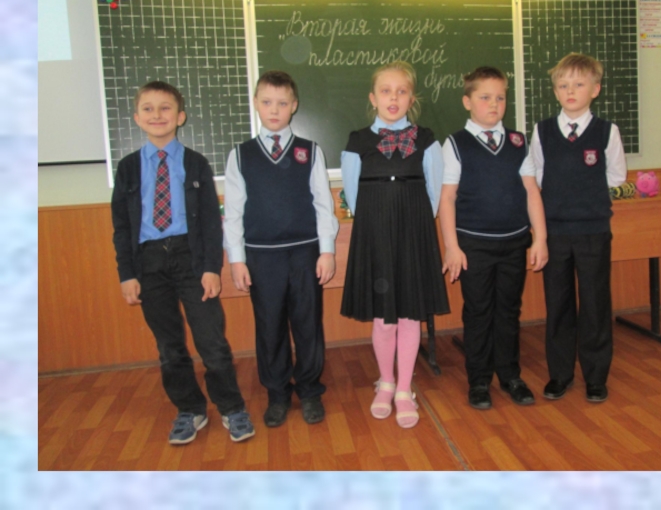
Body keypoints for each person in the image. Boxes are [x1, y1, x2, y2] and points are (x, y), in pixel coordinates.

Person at [111, 81, 255, 445]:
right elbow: (121, 226)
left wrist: (210, 268)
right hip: (148, 262)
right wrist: (127, 274)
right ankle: (190, 409)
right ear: (137, 118)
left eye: (165, 108)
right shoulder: (127, 168)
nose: (157, 115)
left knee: (212, 341)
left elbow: (209, 220)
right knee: (169, 346)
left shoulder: (195, 163)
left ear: (180, 116)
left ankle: (232, 407)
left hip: (190, 258)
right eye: (148, 108)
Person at [224, 70, 338, 428]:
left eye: (282, 102)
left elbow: (323, 204)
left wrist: (327, 250)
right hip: (262, 256)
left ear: (294, 105)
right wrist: (237, 259)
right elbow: (234, 212)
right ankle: (277, 393)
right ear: (256, 104)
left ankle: (309, 389)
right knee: (269, 326)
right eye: (267, 102)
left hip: (305, 253)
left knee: (307, 325)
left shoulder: (310, 151)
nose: (274, 109)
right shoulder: (241, 155)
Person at [340, 60, 449, 428]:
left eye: (402, 91)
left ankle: (404, 388)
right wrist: (379, 226)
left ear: (411, 99)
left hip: (413, 234)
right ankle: (385, 381)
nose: (394, 97)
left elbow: (433, 195)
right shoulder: (356, 142)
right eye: (386, 91)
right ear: (373, 98)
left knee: (409, 315)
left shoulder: (427, 140)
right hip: (375, 235)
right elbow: (354, 197)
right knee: (384, 319)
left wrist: (413, 226)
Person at [440, 66, 549, 410]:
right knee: (478, 311)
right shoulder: (456, 144)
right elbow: (447, 198)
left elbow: (531, 191)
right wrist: (452, 247)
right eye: (485, 97)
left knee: (508, 310)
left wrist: (540, 238)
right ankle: (479, 379)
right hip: (474, 245)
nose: (494, 104)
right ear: (467, 102)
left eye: (500, 98)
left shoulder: (518, 142)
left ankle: (510, 375)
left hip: (513, 242)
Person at [531, 53, 627, 403]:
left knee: (595, 303)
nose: (570, 91)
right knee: (558, 304)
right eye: (563, 85)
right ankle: (560, 374)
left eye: (579, 84)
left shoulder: (606, 131)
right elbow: (537, 177)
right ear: (555, 91)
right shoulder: (542, 131)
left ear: (595, 89)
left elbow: (616, 176)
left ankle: (596, 376)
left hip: (593, 232)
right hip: (555, 232)